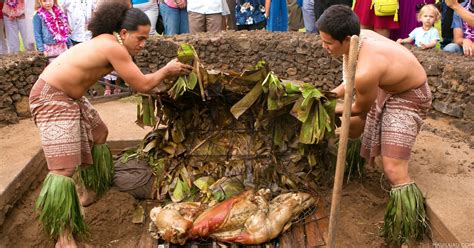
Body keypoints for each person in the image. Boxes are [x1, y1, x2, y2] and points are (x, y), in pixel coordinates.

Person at [29, 2, 192, 247]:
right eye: (140, 38)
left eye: (146, 39)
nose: (143, 44)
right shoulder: (113, 47)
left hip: (71, 96)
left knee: (100, 133)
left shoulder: (110, 41)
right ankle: (63, 237)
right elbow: (143, 85)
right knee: (62, 171)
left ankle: (91, 189)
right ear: (124, 33)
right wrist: (167, 69)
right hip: (51, 97)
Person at [316, 5, 431, 245]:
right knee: (355, 127)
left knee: (392, 169)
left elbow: (358, 107)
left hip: (410, 95)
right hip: (387, 84)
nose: (324, 47)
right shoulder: (359, 38)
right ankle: (353, 165)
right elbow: (348, 84)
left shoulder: (367, 70)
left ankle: (407, 226)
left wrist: (326, 109)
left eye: (328, 43)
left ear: (346, 40)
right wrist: (325, 97)